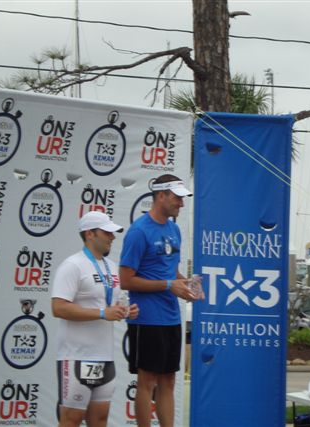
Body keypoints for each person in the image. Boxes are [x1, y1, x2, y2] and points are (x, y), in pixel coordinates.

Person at [119, 174, 202, 427]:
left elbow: (170, 272)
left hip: (171, 318)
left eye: (183, 198)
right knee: (147, 382)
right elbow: (126, 280)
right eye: (177, 198)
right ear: (161, 195)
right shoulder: (139, 231)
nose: (182, 203)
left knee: (169, 381)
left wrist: (187, 285)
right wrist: (168, 285)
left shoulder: (174, 229)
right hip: (146, 318)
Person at [51, 211, 139, 427]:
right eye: (107, 232)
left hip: (105, 357)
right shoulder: (72, 265)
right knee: (71, 420)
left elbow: (110, 306)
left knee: (99, 421)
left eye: (113, 233)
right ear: (90, 234)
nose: (112, 237)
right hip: (76, 356)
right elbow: (58, 307)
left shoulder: (112, 267)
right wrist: (101, 313)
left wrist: (125, 311)